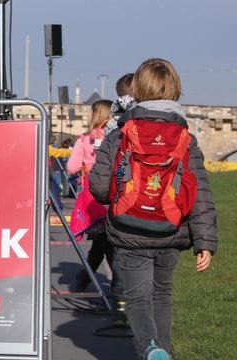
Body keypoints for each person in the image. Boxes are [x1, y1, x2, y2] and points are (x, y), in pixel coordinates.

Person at [89, 58, 217, 359]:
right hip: (170, 229)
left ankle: (149, 347)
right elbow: (200, 192)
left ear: (138, 90)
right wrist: (205, 242)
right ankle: (164, 351)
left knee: (137, 300)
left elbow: (97, 185)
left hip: (129, 229)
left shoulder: (120, 133)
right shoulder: (186, 139)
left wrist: (119, 196)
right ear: (175, 90)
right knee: (162, 296)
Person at [67, 99, 123, 308]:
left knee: (104, 244)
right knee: (105, 242)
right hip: (114, 196)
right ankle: (89, 278)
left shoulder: (84, 141)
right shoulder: (117, 137)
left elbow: (72, 167)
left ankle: (114, 287)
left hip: (93, 200)